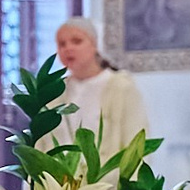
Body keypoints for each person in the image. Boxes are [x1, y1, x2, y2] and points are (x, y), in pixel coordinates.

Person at [45, 19, 149, 155]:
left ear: (94, 44)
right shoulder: (55, 92)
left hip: (108, 169)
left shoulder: (121, 87)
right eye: (62, 44)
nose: (68, 48)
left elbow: (136, 142)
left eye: (77, 41)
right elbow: (42, 145)